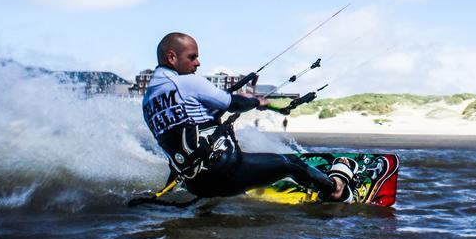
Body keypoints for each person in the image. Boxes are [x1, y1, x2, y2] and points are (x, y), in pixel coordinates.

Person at [142, 32, 352, 201]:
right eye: (192, 57)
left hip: (195, 185)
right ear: (171, 57)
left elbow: (184, 132)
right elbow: (232, 103)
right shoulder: (187, 82)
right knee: (290, 164)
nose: (198, 63)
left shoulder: (148, 102)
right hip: (225, 173)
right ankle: (335, 189)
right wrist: (256, 102)